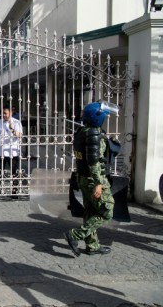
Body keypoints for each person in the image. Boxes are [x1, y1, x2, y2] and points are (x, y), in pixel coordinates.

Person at [64, 101, 118, 257]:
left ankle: (92, 246)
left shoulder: (82, 131)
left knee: (91, 210)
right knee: (107, 210)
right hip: (92, 179)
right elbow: (93, 162)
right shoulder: (94, 135)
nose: (106, 118)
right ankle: (74, 235)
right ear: (97, 117)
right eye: (104, 116)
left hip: (83, 178)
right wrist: (98, 184)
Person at [0, 105, 22, 194]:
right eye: (3, 113)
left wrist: (12, 129)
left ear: (10, 113)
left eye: (6, 113)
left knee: (14, 172)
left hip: (13, 151)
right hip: (0, 152)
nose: (4, 115)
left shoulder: (17, 122)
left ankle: (14, 191)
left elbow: (20, 135)